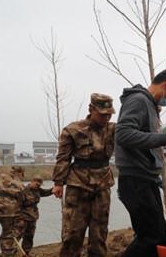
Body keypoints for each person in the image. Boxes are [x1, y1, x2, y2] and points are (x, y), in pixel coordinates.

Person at [116, 68, 166, 256]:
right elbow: (123, 134)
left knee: (158, 237)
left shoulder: (150, 106)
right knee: (151, 238)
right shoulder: (138, 101)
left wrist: (165, 137)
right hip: (135, 180)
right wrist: (163, 138)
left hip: (146, 180)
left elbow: (145, 138)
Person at [51, 93, 116, 257]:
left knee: (99, 233)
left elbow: (136, 133)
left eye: (109, 114)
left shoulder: (114, 129)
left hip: (102, 185)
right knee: (73, 233)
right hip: (78, 186)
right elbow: (63, 158)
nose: (106, 118)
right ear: (91, 109)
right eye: (102, 114)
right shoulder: (73, 130)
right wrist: (58, 183)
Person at [16, 176, 53, 255]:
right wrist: (20, 218)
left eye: (39, 185)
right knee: (17, 236)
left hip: (33, 218)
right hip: (23, 218)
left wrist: (55, 189)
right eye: (37, 184)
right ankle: (11, 253)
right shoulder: (23, 191)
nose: (38, 186)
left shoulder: (38, 190)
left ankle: (26, 253)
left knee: (29, 237)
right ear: (32, 182)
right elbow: (17, 206)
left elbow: (46, 192)